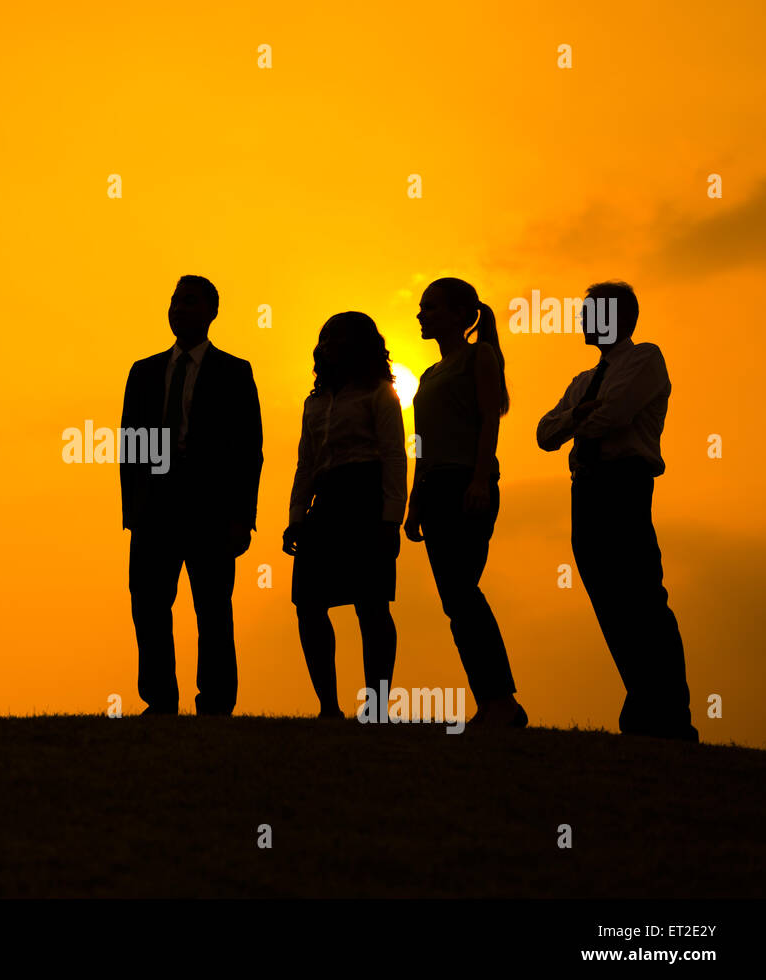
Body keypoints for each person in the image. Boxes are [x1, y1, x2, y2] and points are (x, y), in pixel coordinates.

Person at [536, 281, 697, 741]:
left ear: (618, 317)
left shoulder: (645, 357)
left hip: (625, 485)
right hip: (587, 490)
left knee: (642, 598)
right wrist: (578, 416)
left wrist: (578, 418)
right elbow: (544, 434)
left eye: (592, 312)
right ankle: (645, 707)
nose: (584, 321)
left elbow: (615, 415)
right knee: (610, 601)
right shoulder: (583, 380)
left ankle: (669, 715)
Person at [120, 275, 263, 715]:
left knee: (213, 607)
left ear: (212, 312)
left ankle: (216, 701)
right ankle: (160, 699)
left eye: (190, 302)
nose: (179, 310)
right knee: (148, 604)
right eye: (175, 302)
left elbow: (248, 448)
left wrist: (242, 516)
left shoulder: (235, 372)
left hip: (211, 506)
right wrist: (133, 508)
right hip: (156, 503)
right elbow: (130, 442)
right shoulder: (144, 371)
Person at [405, 277, 527, 728]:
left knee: (462, 593)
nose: (422, 315)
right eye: (421, 307)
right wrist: (415, 501)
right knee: (455, 600)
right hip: (435, 489)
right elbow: (421, 441)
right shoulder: (429, 374)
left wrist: (479, 479)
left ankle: (501, 700)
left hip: (467, 485)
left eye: (431, 307)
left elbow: (488, 423)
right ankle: (493, 701)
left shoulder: (480, 356)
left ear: (460, 314)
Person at [283, 313, 406, 719]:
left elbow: (393, 456)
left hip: (366, 500)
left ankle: (376, 707)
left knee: (371, 605)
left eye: (338, 337)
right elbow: (306, 462)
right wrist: (297, 515)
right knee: (308, 603)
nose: (329, 344)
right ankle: (328, 707)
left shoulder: (380, 394)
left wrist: (391, 519)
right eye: (325, 337)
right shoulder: (314, 401)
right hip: (327, 502)